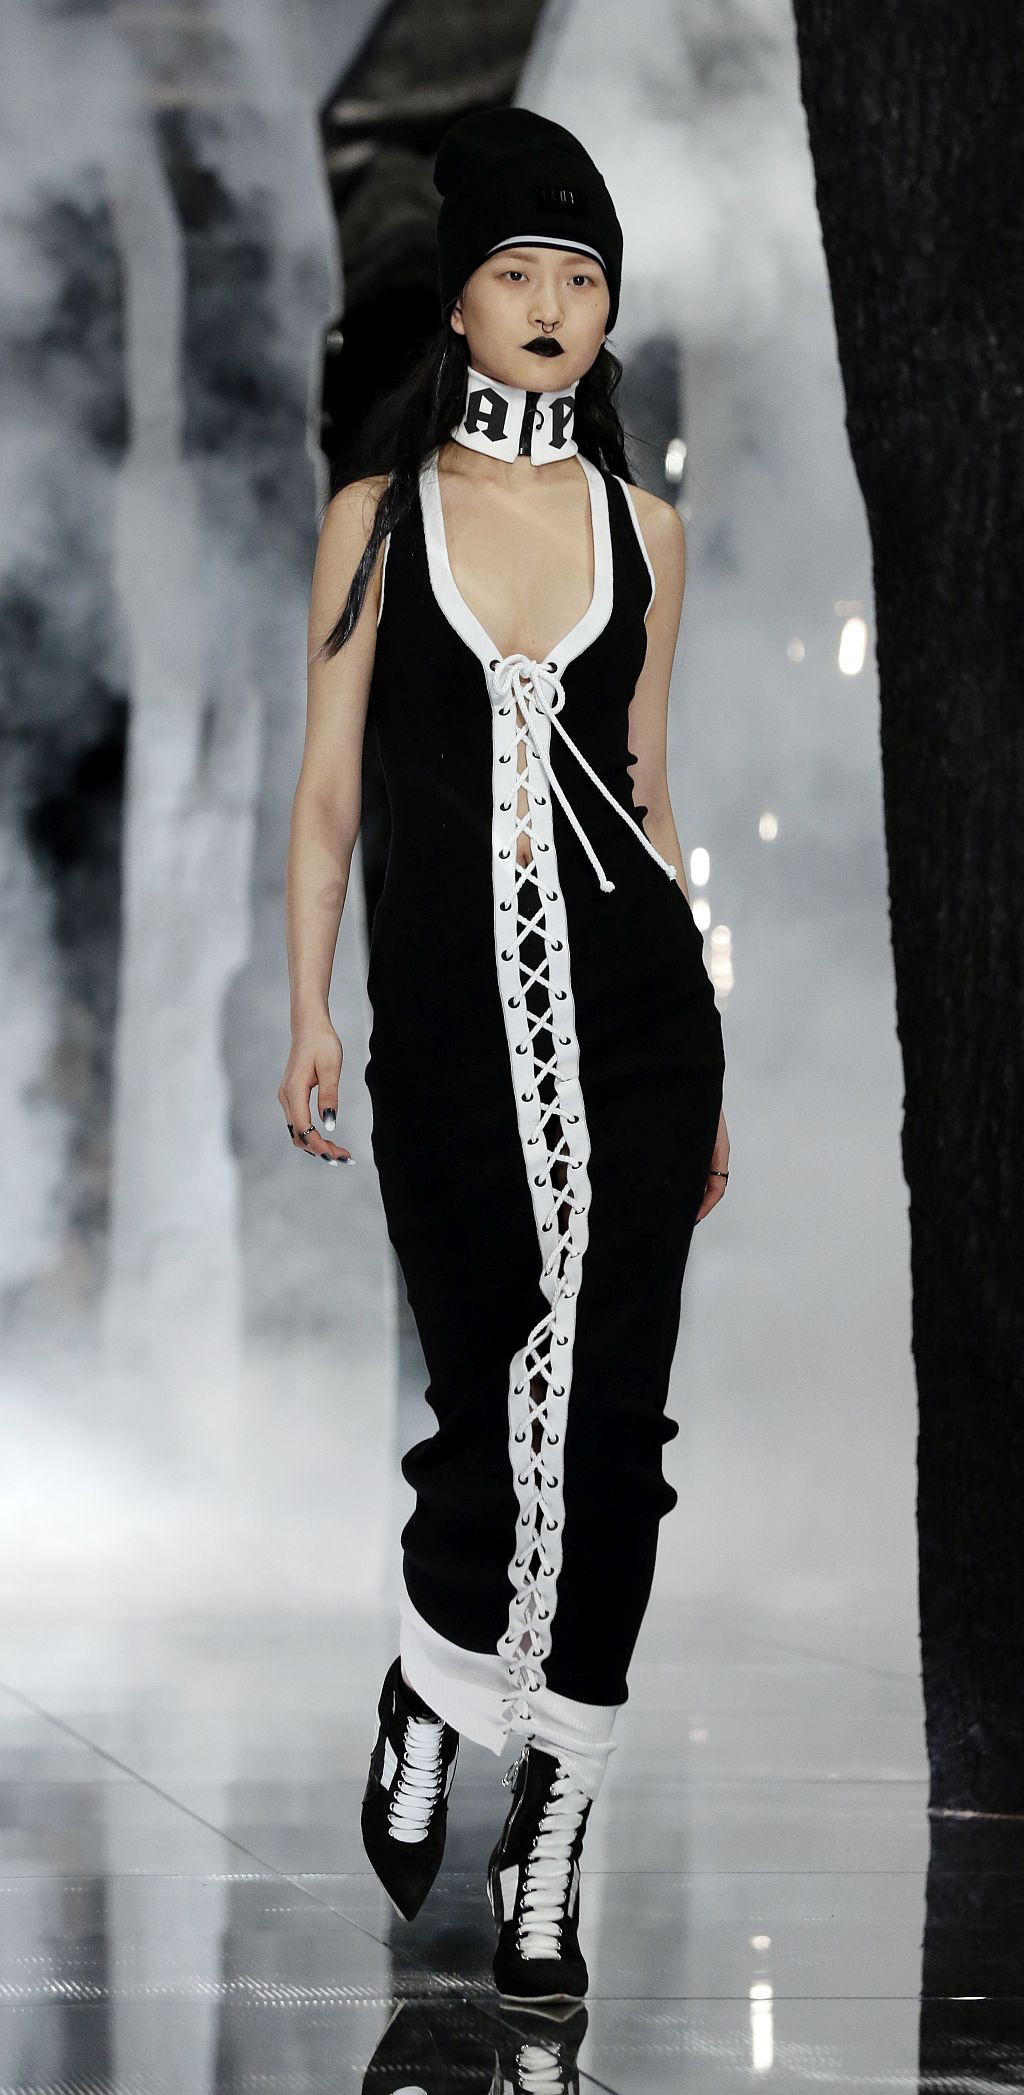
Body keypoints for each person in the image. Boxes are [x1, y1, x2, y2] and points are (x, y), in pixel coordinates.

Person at [278, 105, 730, 2008]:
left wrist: (717, 1050)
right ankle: (431, 1684)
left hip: (641, 1025)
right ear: (459, 307)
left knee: (612, 1425)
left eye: (582, 278)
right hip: (450, 1036)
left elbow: (648, 792)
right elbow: (327, 799)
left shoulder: (649, 533)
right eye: (519, 272)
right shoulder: (378, 525)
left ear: (604, 314)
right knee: (490, 1399)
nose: (552, 303)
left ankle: (552, 1833)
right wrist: (309, 1007)